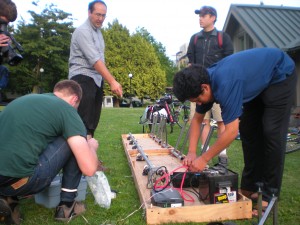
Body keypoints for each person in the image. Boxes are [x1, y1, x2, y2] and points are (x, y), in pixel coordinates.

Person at [173, 48, 296, 208]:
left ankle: (269, 193)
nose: (200, 103)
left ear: (205, 87)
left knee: (271, 132)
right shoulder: (202, 82)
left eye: (198, 99)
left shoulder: (225, 85)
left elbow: (231, 132)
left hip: (279, 75)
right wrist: (191, 152)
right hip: (254, 82)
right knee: (248, 131)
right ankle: (250, 186)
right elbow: (197, 120)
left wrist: (204, 159)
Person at [0, 80, 100, 224]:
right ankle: (67, 207)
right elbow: (89, 169)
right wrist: (91, 146)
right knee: (77, 138)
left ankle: (8, 200)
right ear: (74, 99)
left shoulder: (24, 100)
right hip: (19, 181)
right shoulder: (67, 110)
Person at [69, 0, 123, 140]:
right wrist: (112, 81)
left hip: (96, 79)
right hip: (82, 78)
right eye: (97, 14)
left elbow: (100, 60)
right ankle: (79, 159)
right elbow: (95, 60)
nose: (101, 18)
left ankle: (89, 154)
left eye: (103, 15)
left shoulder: (98, 33)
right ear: (89, 13)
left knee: (92, 122)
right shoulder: (83, 31)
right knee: (83, 122)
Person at [186, 6, 233, 167]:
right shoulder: (194, 39)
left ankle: (222, 156)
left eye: (204, 15)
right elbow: (190, 62)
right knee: (201, 120)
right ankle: (204, 153)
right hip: (198, 89)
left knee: (221, 122)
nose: (200, 18)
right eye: (199, 15)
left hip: (219, 86)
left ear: (213, 17)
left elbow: (229, 62)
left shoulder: (222, 38)